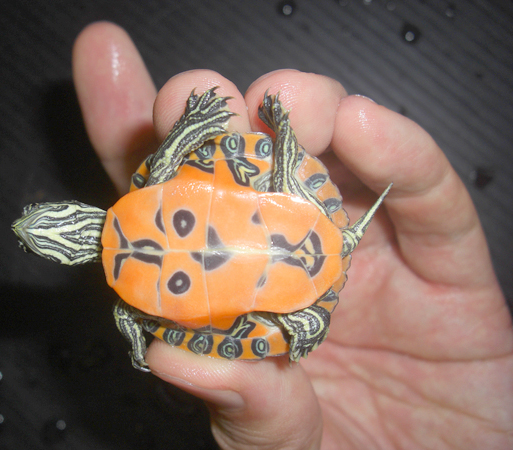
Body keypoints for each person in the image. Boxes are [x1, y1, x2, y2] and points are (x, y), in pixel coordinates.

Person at [72, 21, 513, 449]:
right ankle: (303, 312)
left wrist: (138, 342)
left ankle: (304, 321)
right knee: (267, 166)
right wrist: (208, 126)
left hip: (293, 289)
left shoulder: (131, 305)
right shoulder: (141, 239)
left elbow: (143, 315)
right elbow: (170, 163)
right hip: (290, 221)